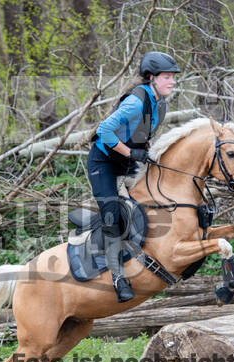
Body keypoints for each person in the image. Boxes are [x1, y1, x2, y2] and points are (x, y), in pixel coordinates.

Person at [87, 51, 180, 303]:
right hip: (103, 162)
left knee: (150, 203)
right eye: (167, 77)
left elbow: (143, 132)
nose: (172, 82)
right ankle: (117, 277)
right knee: (113, 215)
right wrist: (131, 152)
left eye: (173, 78)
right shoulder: (136, 101)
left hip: (127, 162)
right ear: (151, 78)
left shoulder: (161, 103)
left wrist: (146, 148)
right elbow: (104, 130)